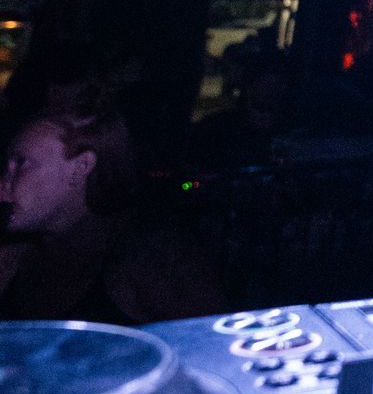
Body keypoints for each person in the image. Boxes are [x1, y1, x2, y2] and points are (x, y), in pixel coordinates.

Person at [0, 93, 220, 322]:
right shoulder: (15, 254)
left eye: (21, 163)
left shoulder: (150, 257)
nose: (3, 181)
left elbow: (210, 343)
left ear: (80, 167)